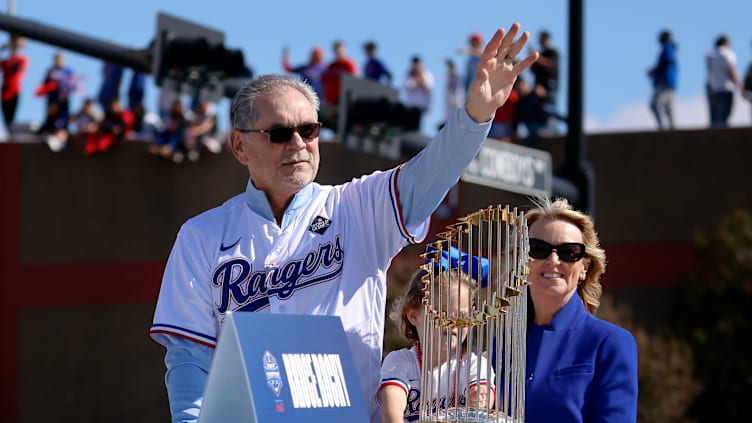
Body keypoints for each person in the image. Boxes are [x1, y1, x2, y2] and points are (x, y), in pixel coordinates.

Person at [149, 22, 538, 423]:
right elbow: (190, 361)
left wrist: (476, 114)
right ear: (239, 145)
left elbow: (431, 173)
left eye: (309, 129)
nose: (298, 143)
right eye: (280, 132)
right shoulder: (201, 235)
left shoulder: (357, 206)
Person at [503, 196, 638, 422]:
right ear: (521, 261)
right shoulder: (501, 346)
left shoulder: (611, 343)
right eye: (537, 249)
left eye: (568, 252)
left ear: (584, 267)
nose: (553, 260)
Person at [378, 250, 494, 423]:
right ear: (413, 316)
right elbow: (392, 413)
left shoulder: (475, 365)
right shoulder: (399, 363)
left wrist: (480, 397)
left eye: (462, 315)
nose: (452, 322)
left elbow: (482, 403)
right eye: (441, 314)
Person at [706, 34, 745, 128]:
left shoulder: (712, 57)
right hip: (726, 88)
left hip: (715, 89)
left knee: (717, 115)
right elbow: (731, 70)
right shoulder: (726, 54)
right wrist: (740, 86)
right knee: (724, 114)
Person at [528, 30, 560, 133]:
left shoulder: (553, 52)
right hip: (539, 89)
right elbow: (533, 70)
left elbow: (551, 65)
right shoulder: (540, 54)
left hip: (549, 87)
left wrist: (537, 58)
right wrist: (532, 59)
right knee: (540, 112)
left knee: (548, 111)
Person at [647, 30, 678, 130]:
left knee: (654, 104)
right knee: (668, 106)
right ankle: (671, 127)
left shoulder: (667, 47)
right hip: (669, 82)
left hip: (664, 82)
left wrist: (655, 70)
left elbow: (667, 61)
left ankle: (662, 127)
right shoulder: (670, 48)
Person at [0, 35, 29, 135]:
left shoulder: (22, 59)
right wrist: (3, 50)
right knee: (6, 118)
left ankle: (11, 135)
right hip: (5, 91)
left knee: (11, 119)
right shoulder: (6, 61)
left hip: (15, 90)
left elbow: (18, 70)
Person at [321, 40, 358, 105]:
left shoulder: (348, 64)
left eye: (340, 50)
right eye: (336, 50)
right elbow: (325, 80)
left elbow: (353, 79)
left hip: (345, 98)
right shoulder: (331, 66)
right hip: (331, 99)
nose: (338, 52)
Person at [401, 55, 434, 128]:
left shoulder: (427, 74)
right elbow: (409, 87)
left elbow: (428, 88)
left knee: (418, 127)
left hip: (421, 107)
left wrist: (421, 78)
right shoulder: (408, 74)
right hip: (410, 106)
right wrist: (417, 79)